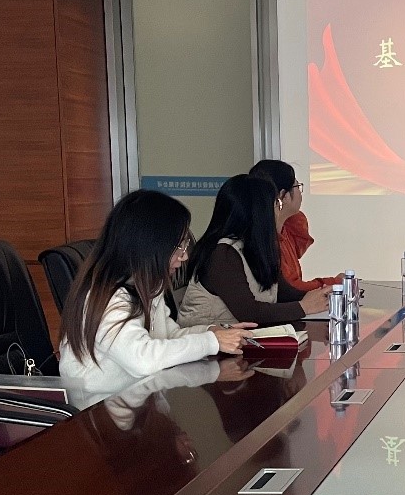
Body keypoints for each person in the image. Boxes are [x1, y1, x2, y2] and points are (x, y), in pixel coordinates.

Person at [59, 190, 253, 397]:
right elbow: (142, 359)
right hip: (99, 409)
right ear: (149, 246)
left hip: (139, 402)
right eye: (179, 246)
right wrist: (211, 342)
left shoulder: (147, 287)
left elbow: (168, 337)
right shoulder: (109, 297)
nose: (184, 256)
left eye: (185, 245)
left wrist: (213, 332)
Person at [177, 174, 330, 328]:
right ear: (259, 213)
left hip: (242, 336)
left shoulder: (256, 247)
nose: (278, 211)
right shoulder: (222, 253)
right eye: (276, 204)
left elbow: (283, 293)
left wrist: (323, 297)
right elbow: (249, 312)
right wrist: (303, 307)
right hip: (208, 339)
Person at [249, 159, 344, 293]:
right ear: (283, 196)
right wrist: (335, 283)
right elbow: (292, 288)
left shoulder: (285, 228)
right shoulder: (265, 241)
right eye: (297, 186)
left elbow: (301, 243)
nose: (300, 192)